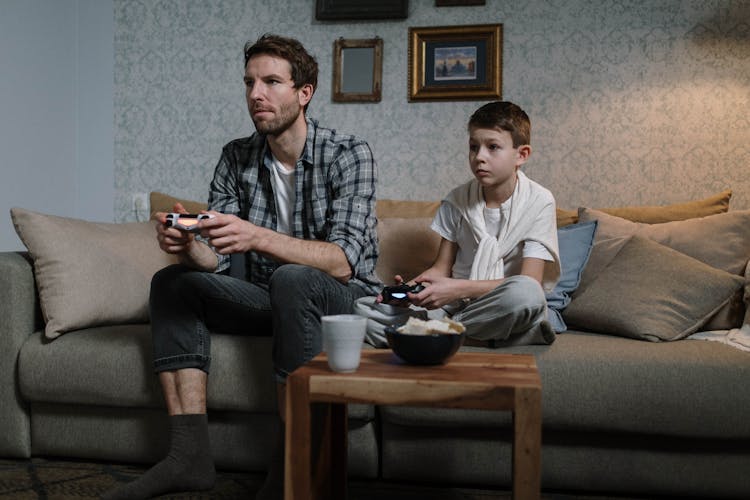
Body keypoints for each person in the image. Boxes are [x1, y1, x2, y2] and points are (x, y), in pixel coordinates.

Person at [103, 33, 379, 500]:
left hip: (341, 304)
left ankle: (295, 462)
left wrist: (257, 237)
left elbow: (343, 261)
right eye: (250, 82)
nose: (256, 94)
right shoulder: (237, 156)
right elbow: (218, 259)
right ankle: (187, 455)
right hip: (269, 297)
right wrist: (186, 245)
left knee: (295, 278)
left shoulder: (349, 154)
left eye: (272, 81)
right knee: (173, 282)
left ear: (304, 93)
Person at [374, 101, 559, 347]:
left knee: (528, 295)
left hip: (500, 305)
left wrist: (457, 289)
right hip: (458, 308)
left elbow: (530, 281)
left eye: (493, 147)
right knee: (366, 308)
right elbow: (441, 270)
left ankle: (432, 334)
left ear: (521, 155)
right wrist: (409, 291)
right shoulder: (457, 200)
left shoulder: (540, 201)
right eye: (474, 147)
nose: (479, 157)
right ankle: (481, 338)